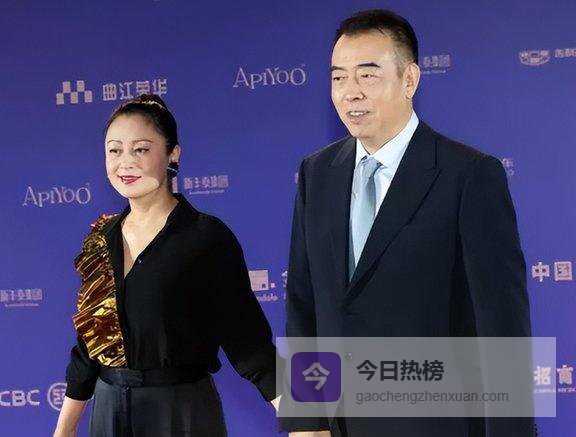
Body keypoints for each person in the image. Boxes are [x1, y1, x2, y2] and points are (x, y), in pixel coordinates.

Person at [280, 9, 533, 437]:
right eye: (339, 78)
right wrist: (307, 419)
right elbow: (304, 305)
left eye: (368, 75)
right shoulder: (317, 173)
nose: (350, 92)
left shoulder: (468, 174)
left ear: (410, 79)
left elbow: (502, 326)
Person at [53, 95, 281, 437]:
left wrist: (309, 422)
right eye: (114, 150)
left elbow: (250, 344)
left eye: (141, 149)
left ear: (173, 154)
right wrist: (65, 429)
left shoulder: (205, 237)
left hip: (181, 412)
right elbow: (89, 347)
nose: (125, 162)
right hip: (108, 411)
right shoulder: (100, 238)